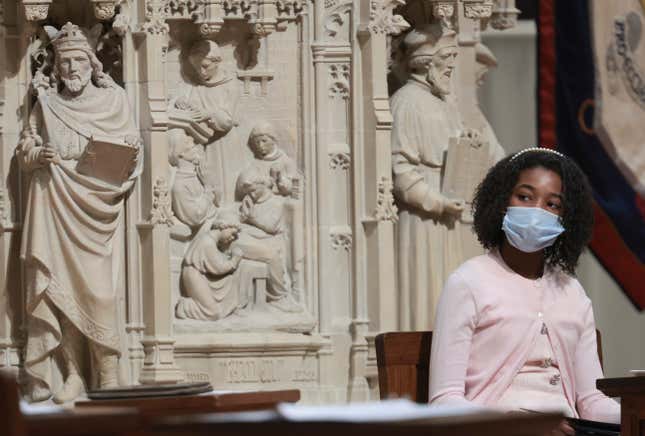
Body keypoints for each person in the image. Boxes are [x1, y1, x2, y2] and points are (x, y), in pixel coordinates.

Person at [429, 148, 620, 434]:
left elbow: (591, 401)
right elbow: (444, 401)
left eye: (552, 204)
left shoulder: (573, 292)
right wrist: (524, 427)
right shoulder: (468, 282)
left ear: (566, 219)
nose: (536, 211)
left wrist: (635, 411)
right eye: (525, 197)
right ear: (502, 201)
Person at [16, 22, 142, 403]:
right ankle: (72, 374)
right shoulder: (47, 104)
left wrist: (126, 152)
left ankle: (108, 371)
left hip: (97, 204)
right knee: (59, 290)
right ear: (56, 66)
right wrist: (38, 155)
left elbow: (133, 148)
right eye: (64, 61)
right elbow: (26, 147)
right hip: (54, 201)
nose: (71, 69)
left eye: (77, 60)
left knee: (101, 293)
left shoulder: (114, 100)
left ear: (92, 63)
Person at [390, 23, 466, 330]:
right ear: (425, 62)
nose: (451, 65)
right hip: (422, 218)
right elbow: (400, 169)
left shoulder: (445, 103)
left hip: (448, 213)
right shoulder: (405, 102)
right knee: (425, 293)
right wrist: (437, 202)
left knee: (451, 294)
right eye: (446, 57)